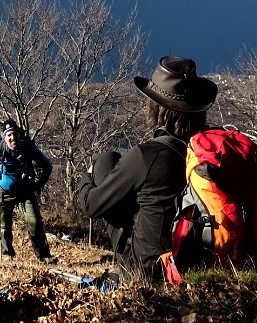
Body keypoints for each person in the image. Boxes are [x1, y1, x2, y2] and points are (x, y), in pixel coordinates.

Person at [78, 55, 217, 281]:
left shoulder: (147, 156)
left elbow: (91, 206)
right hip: (199, 260)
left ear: (157, 108)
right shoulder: (206, 152)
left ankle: (126, 272)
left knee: (105, 161)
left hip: (151, 270)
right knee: (113, 162)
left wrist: (86, 177)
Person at [0, 121, 56, 262]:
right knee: (4, 226)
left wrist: (38, 184)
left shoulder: (28, 148)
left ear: (19, 135)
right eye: (9, 135)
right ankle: (7, 255)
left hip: (25, 191)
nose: (12, 137)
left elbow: (47, 166)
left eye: (14, 134)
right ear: (4, 138)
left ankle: (44, 256)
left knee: (34, 221)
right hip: (3, 191)